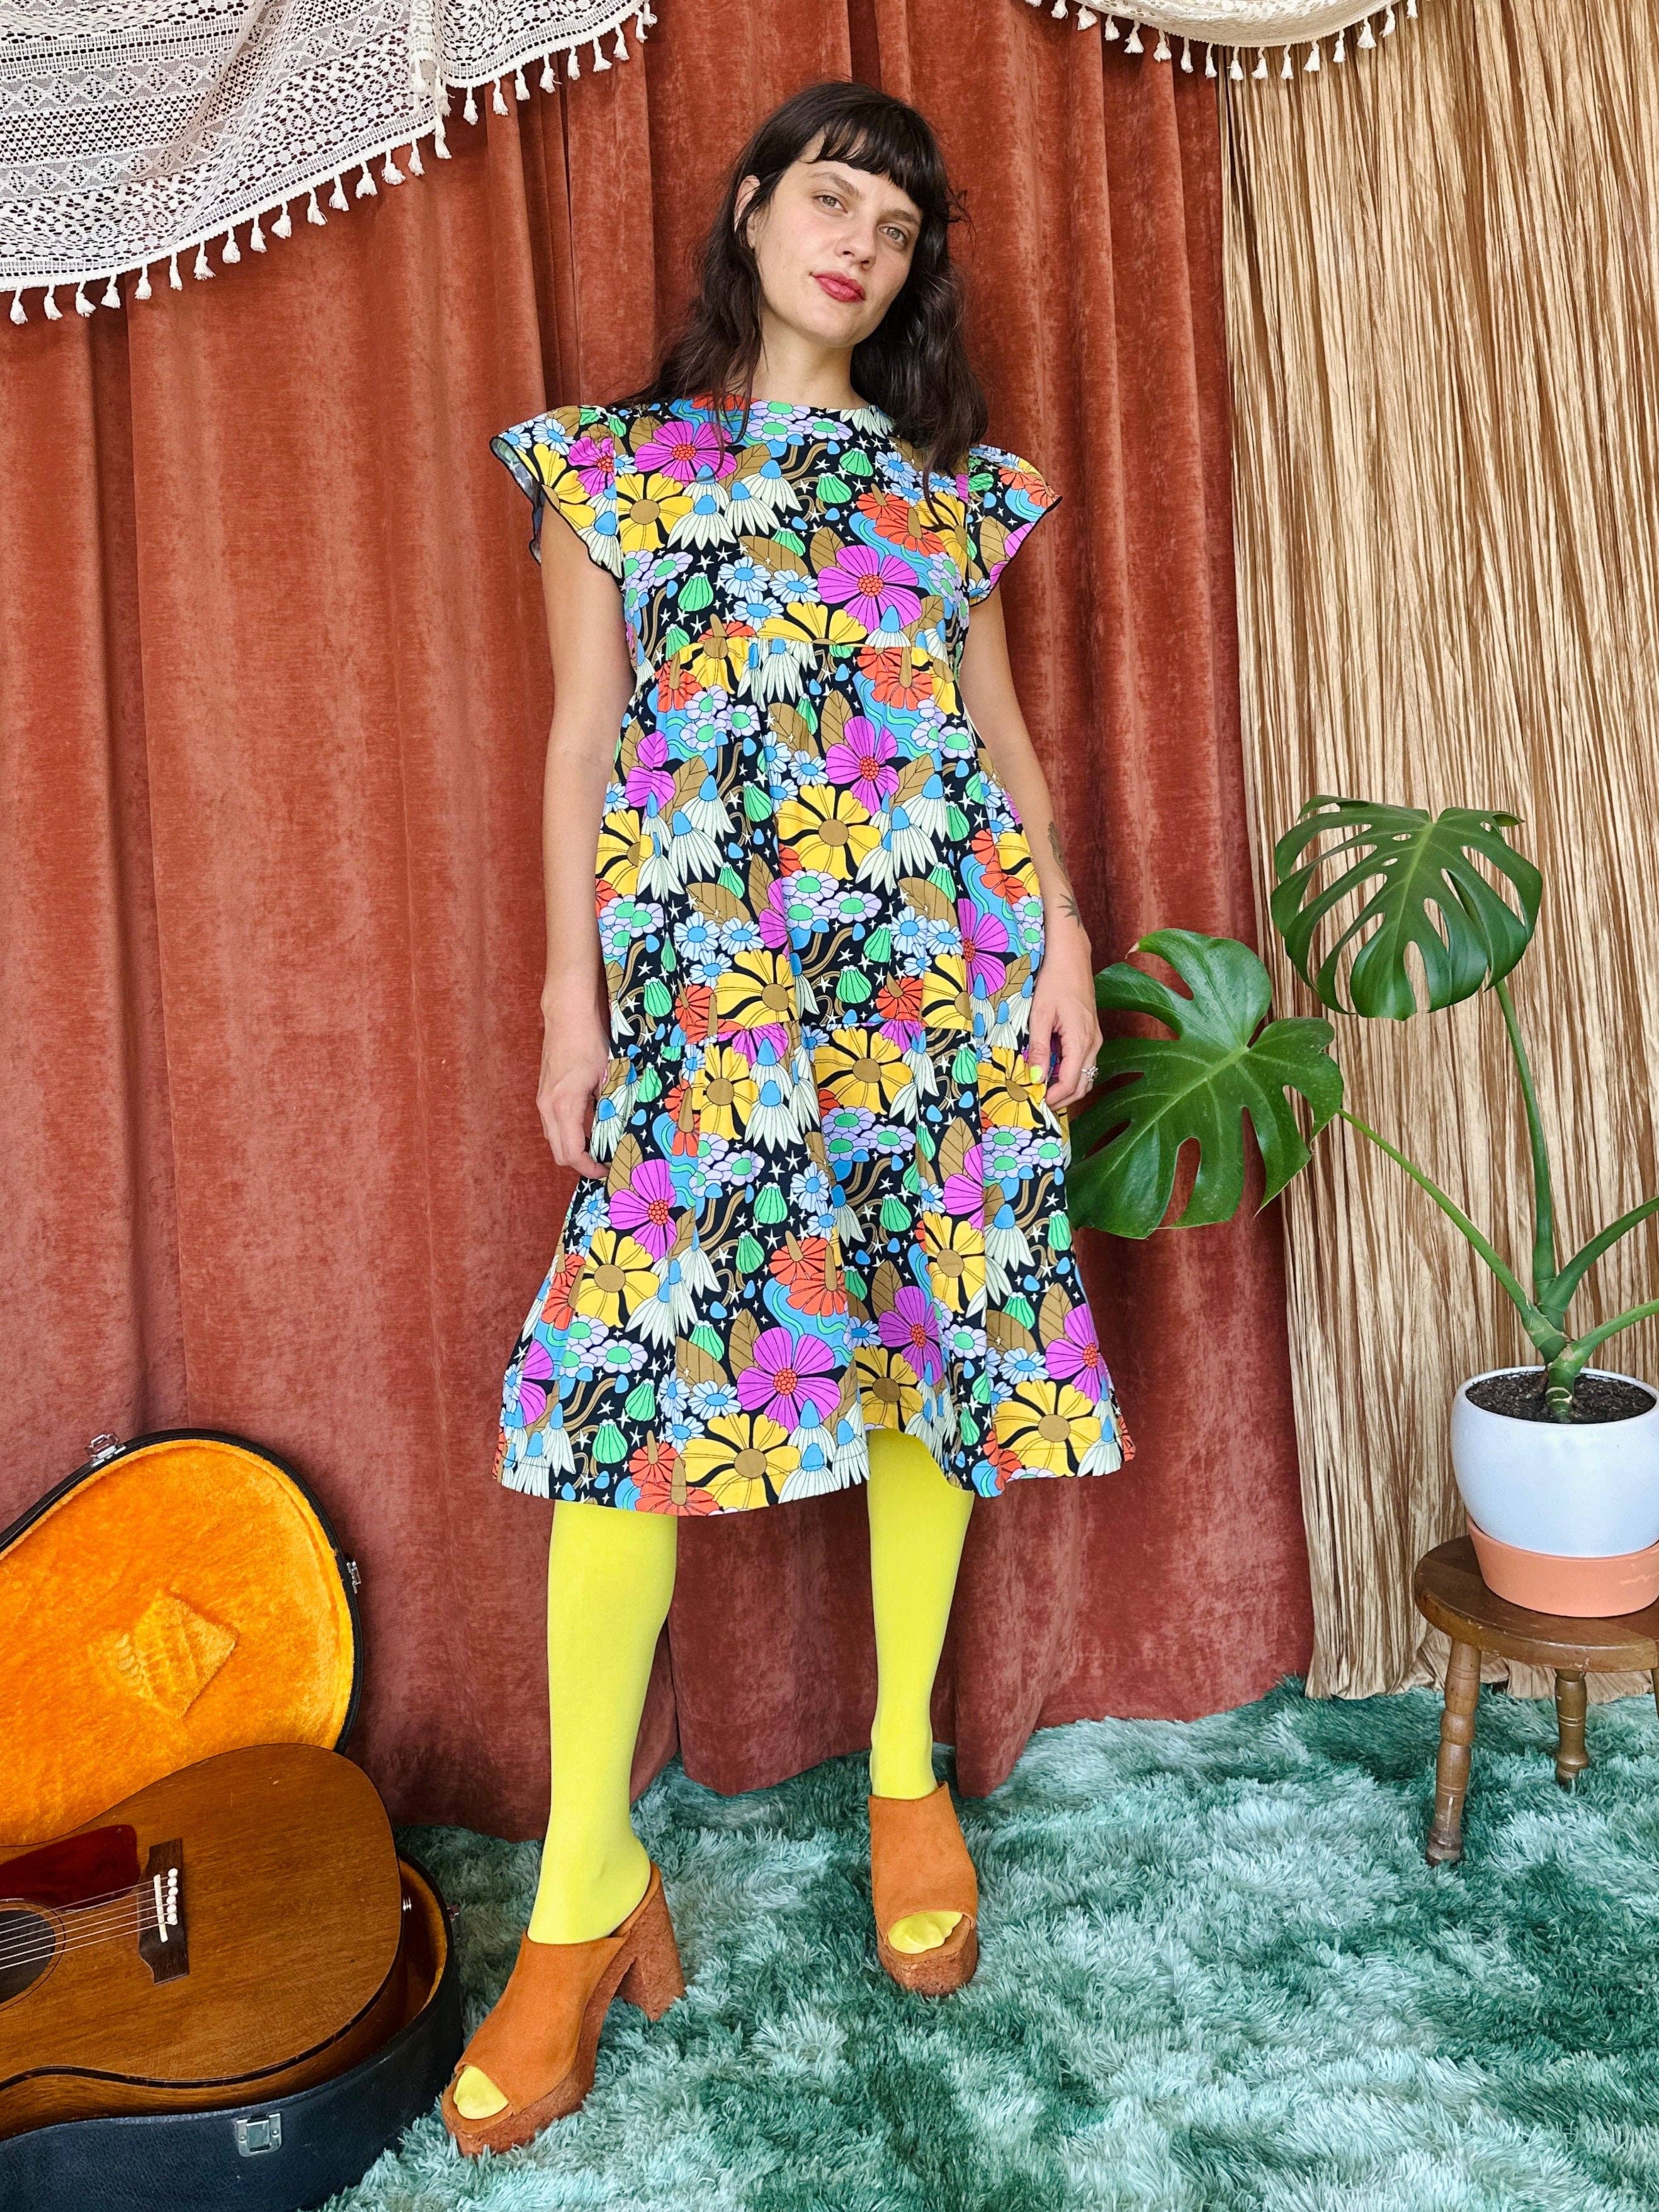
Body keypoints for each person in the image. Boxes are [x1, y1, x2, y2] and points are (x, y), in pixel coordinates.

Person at [441, 76, 1134, 2158]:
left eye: (897, 231)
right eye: (832, 201)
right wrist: (567, 998)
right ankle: (584, 1884)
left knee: (930, 1350)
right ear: (750, 211)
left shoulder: (947, 496)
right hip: (709, 994)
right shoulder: (610, 464)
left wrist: (1062, 931)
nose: (861, 247)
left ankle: (905, 1767)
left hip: (935, 967)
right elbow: (579, 738)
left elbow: (998, 737)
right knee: (625, 1391)